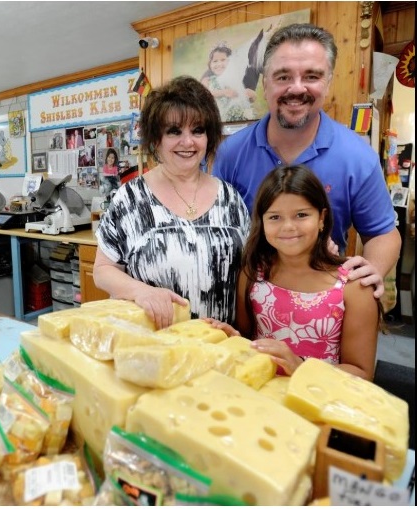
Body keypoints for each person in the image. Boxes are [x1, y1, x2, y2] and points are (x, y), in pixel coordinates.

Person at [212, 23, 401, 299]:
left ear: (328, 82)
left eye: (312, 76)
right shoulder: (231, 153)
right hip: (245, 310)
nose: (296, 88)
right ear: (265, 83)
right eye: (283, 76)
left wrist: (371, 270)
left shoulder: (357, 157)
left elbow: (383, 233)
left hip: (322, 314)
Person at [93, 75, 250, 330]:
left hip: (221, 347)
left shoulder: (230, 198)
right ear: (157, 139)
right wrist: (140, 291)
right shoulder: (130, 198)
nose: (187, 142)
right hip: (155, 350)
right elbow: (102, 270)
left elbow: (253, 269)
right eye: (174, 131)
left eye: (197, 130)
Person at [207, 164, 380, 381]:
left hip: (320, 402)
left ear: (321, 218)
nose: (288, 226)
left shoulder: (353, 286)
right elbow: (250, 339)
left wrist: (299, 367)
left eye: (301, 215)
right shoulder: (253, 274)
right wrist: (231, 338)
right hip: (261, 398)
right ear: (261, 221)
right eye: (275, 217)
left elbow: (362, 374)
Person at [201, 42, 255, 122]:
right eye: (215, 61)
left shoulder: (236, 79)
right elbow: (203, 95)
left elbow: (250, 99)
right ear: (210, 64)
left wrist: (251, 95)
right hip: (217, 120)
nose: (219, 64)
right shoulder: (207, 80)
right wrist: (224, 92)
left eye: (223, 60)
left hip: (239, 119)